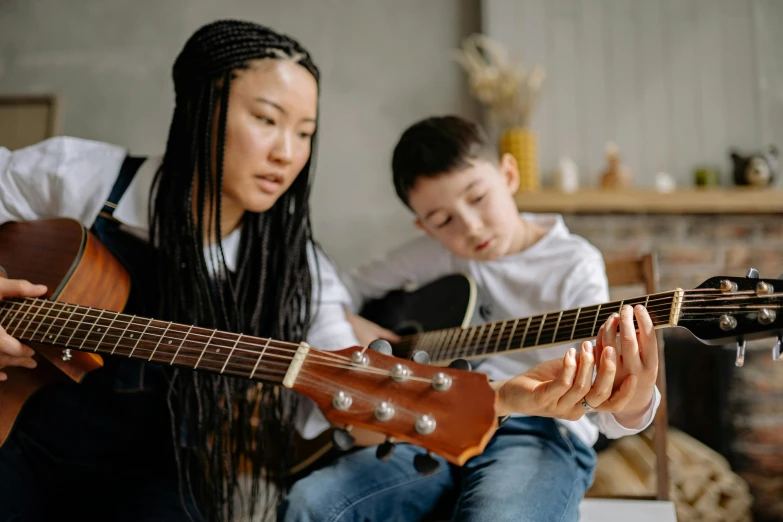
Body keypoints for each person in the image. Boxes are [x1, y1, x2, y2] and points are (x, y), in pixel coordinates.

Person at [0, 19, 357, 522]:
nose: (287, 153)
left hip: (161, 484)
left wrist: (369, 403)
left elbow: (340, 357)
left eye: (305, 134)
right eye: (267, 120)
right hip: (20, 441)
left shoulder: (295, 267)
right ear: (200, 107)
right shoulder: (87, 177)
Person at [278, 115, 662, 522]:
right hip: (433, 423)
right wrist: (366, 333)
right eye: (443, 221)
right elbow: (333, 291)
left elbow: (605, 411)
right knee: (311, 504)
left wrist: (634, 403)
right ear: (424, 226)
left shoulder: (574, 263)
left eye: (478, 197)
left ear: (509, 174)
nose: (470, 226)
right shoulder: (438, 253)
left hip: (539, 431)